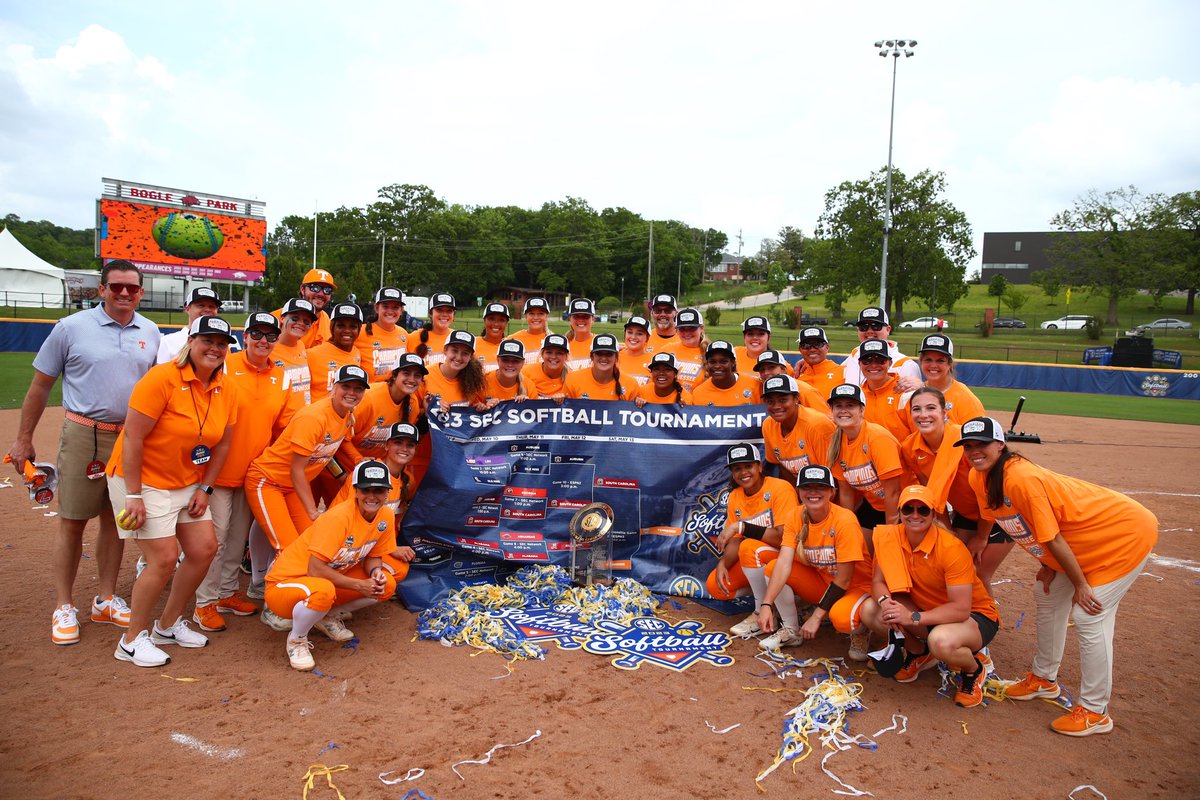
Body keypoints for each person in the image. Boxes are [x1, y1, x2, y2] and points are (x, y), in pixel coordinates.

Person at [959, 416, 1158, 736]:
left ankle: (1095, 711)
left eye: (981, 444)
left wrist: (1080, 584)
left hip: (1123, 536)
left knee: (1089, 614)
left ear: (1000, 445)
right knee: (1046, 593)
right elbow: (1022, 526)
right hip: (1081, 544)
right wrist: (1050, 566)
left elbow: (1052, 537)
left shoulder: (1020, 478)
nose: (974, 451)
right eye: (968, 446)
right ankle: (1043, 680)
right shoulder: (978, 477)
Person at [9, 259, 160, 646]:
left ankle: (106, 599)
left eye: (132, 287)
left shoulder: (151, 330)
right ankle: (63, 604)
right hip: (84, 433)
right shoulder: (71, 328)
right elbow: (41, 386)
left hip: (130, 437)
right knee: (73, 520)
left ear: (141, 291)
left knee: (116, 519)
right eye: (116, 287)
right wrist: (24, 438)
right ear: (101, 290)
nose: (124, 293)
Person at [106, 316, 240, 667]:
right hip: (142, 480)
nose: (214, 348)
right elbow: (133, 437)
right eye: (207, 340)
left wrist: (205, 488)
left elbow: (223, 445)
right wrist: (133, 495)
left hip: (187, 481)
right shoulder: (162, 377)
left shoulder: (226, 387)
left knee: (204, 549)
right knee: (164, 558)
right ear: (191, 341)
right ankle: (132, 640)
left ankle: (167, 625)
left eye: (222, 343)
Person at [193, 313, 299, 632]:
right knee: (217, 539)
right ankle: (204, 601)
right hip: (217, 471)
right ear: (245, 335)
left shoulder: (281, 378)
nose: (263, 341)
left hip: (252, 474)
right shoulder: (225, 366)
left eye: (270, 335)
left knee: (237, 540)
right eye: (256, 333)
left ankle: (225, 593)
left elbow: (288, 425)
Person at [244, 364, 369, 631]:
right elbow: (297, 469)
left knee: (312, 545)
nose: (351, 393)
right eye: (346, 387)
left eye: (358, 389)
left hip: (290, 486)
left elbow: (330, 449)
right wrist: (312, 510)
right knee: (288, 547)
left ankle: (305, 600)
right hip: (267, 481)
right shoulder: (314, 417)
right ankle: (273, 608)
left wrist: (351, 470)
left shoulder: (346, 414)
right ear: (333, 387)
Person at [870, 484, 1001, 709]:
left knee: (941, 642)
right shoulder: (889, 537)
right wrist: (886, 604)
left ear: (933, 514)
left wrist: (913, 617)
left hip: (974, 617)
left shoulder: (951, 548)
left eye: (923, 510)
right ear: (899, 511)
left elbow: (961, 608)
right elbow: (878, 582)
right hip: (927, 611)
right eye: (908, 509)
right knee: (871, 611)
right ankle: (918, 652)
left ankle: (973, 669)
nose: (914, 515)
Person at [264, 459, 400, 671]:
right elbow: (315, 569)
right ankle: (297, 639)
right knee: (324, 591)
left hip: (322, 579)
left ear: (387, 492)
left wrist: (375, 573)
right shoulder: (338, 517)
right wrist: (358, 585)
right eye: (366, 489)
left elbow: (374, 556)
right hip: (285, 585)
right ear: (355, 491)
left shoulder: (386, 516)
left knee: (386, 584)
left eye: (379, 490)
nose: (372, 496)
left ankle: (326, 616)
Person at [757, 465, 878, 659]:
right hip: (825, 583)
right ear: (799, 491)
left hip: (857, 587)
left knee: (841, 618)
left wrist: (816, 616)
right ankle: (791, 631)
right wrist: (766, 605)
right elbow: (784, 563)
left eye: (820, 487)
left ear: (832, 491)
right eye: (807, 487)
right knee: (772, 568)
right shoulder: (795, 515)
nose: (813, 492)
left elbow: (845, 579)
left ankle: (861, 631)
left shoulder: (844, 520)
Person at [900, 388, 1013, 591]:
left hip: (999, 513)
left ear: (945, 413)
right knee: (957, 567)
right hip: (966, 514)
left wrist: (981, 537)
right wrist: (947, 528)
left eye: (931, 408)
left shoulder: (965, 441)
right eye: (916, 409)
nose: (923, 414)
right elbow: (931, 491)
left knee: (978, 572)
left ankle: (988, 618)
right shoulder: (910, 448)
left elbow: (990, 492)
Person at [706, 443, 798, 639]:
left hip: (790, 558)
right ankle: (773, 602)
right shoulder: (735, 496)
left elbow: (784, 538)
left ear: (760, 467)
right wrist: (723, 562)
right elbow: (735, 541)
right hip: (761, 559)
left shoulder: (780, 488)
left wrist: (743, 527)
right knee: (716, 586)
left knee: (750, 548)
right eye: (737, 468)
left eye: (748, 466)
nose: (743, 472)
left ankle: (762, 611)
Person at [827, 384, 903, 543]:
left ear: (862, 410)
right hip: (875, 506)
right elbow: (846, 494)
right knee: (858, 551)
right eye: (838, 406)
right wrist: (845, 528)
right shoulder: (837, 442)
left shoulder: (877, 437)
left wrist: (891, 530)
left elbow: (894, 492)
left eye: (850, 405)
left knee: (889, 556)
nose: (843, 410)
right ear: (832, 411)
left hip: (904, 507)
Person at [760, 375, 836, 484]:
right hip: (805, 492)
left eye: (783, 400)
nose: (776, 406)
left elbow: (834, 474)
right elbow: (781, 466)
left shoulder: (817, 424)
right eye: (770, 401)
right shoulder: (768, 425)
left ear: (796, 398)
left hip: (832, 492)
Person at [841, 307, 922, 388]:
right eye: (863, 326)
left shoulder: (906, 364)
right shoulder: (855, 353)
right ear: (858, 330)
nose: (869, 331)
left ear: (888, 329)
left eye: (876, 326)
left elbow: (916, 396)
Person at [914, 335, 985, 425]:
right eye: (928, 360)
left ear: (949, 364)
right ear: (921, 362)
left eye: (940, 361)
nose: (933, 365)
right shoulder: (916, 393)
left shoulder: (965, 398)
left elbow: (977, 437)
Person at [156, 287, 233, 364]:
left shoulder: (223, 346)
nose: (207, 310)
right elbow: (160, 374)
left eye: (211, 306)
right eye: (201, 305)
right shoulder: (168, 341)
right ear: (187, 309)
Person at [307, 302, 364, 402]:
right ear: (332, 328)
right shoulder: (312, 355)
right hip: (319, 415)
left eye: (353, 327)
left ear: (359, 330)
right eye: (341, 326)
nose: (347, 330)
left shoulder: (357, 353)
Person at [859, 339, 913, 443]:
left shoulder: (905, 393)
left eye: (880, 360)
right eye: (867, 360)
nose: (873, 365)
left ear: (890, 363)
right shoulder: (857, 395)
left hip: (898, 458)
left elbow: (919, 436)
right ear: (859, 364)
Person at [355, 287, 409, 383]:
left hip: (395, 395)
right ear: (376, 308)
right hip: (369, 394)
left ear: (401, 310)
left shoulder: (403, 334)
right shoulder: (360, 332)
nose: (390, 311)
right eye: (385, 306)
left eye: (395, 307)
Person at [273, 268, 336, 349]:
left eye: (327, 290)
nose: (321, 294)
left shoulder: (327, 320)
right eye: (315, 288)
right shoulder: (277, 318)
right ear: (302, 289)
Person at [424, 330, 487, 410]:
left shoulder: (473, 380)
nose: (458, 357)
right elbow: (414, 409)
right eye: (454, 351)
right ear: (445, 350)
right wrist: (430, 408)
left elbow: (476, 406)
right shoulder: (426, 375)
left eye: (465, 353)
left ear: (470, 357)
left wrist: (481, 407)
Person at [272, 297, 318, 406]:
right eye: (295, 318)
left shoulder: (301, 346)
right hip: (280, 421)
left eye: (306, 322)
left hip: (302, 418)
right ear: (282, 318)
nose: (300, 323)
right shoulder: (268, 348)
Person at [564, 334, 636, 401]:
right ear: (592, 357)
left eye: (609, 354)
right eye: (599, 353)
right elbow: (563, 409)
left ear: (616, 358)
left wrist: (642, 403)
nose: (604, 358)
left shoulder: (630, 384)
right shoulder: (573, 380)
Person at [755, 350, 830, 414]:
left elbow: (826, 421)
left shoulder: (804, 390)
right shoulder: (760, 388)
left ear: (783, 369)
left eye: (771, 367)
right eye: (762, 370)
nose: (766, 373)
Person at [691, 340, 761, 406]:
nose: (717, 366)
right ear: (707, 363)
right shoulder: (699, 394)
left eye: (723, 362)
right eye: (712, 362)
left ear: (733, 363)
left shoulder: (755, 385)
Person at [661, 308, 707, 391]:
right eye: (682, 329)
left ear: (702, 328)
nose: (687, 333)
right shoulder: (666, 350)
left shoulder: (711, 353)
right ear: (676, 330)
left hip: (698, 403)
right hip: (670, 402)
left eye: (692, 328)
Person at [793, 327, 845, 400]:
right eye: (806, 345)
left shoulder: (844, 373)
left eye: (818, 344)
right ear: (800, 349)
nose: (812, 349)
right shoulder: (794, 376)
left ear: (827, 347)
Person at [483, 340, 538, 404]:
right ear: (498, 360)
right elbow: (472, 409)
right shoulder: (484, 382)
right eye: (505, 360)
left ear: (523, 363)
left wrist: (527, 405)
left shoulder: (529, 386)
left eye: (516, 361)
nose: (510, 365)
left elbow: (536, 412)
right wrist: (485, 407)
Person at [409, 293, 457, 366]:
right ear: (430, 313)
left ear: (453, 314)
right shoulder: (414, 337)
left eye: (449, 311)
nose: (444, 314)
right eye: (439, 310)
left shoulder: (456, 338)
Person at [521, 333, 570, 400]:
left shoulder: (572, 378)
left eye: (559, 353)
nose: (553, 357)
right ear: (542, 354)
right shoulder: (525, 372)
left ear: (566, 356)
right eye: (549, 352)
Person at [511, 297, 552, 364]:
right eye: (531, 313)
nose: (536, 318)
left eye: (540, 313)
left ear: (547, 316)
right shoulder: (513, 340)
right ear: (526, 316)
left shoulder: (553, 340)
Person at [475, 302, 512, 372]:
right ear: (484, 320)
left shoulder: (511, 347)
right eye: (491, 319)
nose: (496, 324)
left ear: (506, 323)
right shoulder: (473, 344)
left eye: (501, 320)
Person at [618, 315, 652, 385]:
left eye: (639, 334)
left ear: (647, 338)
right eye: (630, 332)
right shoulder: (614, 357)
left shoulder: (653, 361)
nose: (633, 337)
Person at [564, 297, 597, 371]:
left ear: (593, 319)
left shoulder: (600, 343)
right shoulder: (564, 345)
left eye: (585, 316)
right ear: (570, 319)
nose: (581, 320)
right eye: (576, 316)